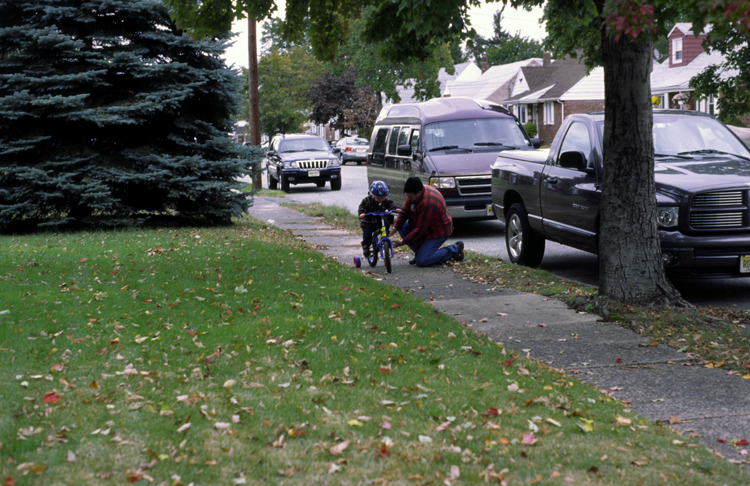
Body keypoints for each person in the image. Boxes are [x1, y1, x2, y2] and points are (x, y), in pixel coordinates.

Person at [388, 176, 464, 267]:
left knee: (422, 261)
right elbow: (404, 212)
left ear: (418, 193)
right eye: (407, 196)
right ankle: (421, 252)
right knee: (402, 227)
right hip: (425, 225)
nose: (408, 198)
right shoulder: (416, 191)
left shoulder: (428, 204)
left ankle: (455, 249)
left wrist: (403, 242)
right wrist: (395, 228)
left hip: (438, 231)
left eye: (410, 196)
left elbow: (419, 230)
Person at [358, 181, 399, 258]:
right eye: (378, 198)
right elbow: (362, 207)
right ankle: (366, 247)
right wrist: (362, 213)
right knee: (367, 233)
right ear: (373, 195)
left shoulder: (385, 201)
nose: (381, 200)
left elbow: (391, 204)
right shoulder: (367, 200)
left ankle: (384, 238)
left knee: (386, 224)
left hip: (380, 221)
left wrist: (395, 209)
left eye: (383, 198)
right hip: (369, 221)